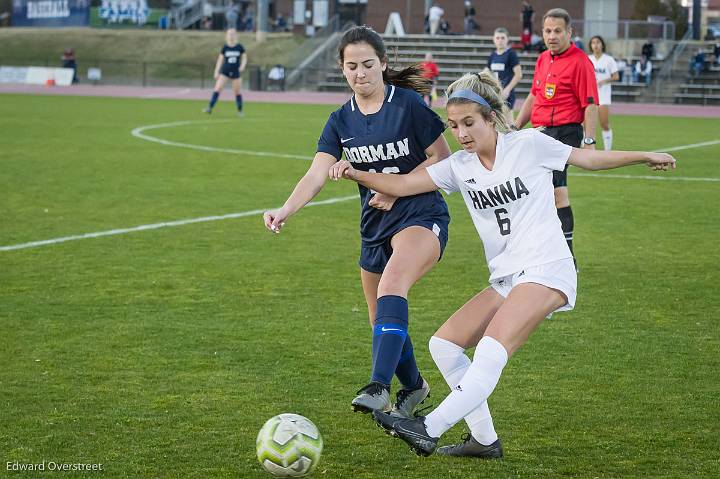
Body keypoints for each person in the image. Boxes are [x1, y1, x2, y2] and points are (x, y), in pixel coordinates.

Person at [326, 70, 676, 458]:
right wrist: (355, 171)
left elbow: (587, 159)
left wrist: (643, 155)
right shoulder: (460, 166)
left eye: (470, 123)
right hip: (508, 277)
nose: (461, 134)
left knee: (492, 350)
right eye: (454, 125)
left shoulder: (529, 144)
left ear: (492, 118)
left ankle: (428, 426)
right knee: (443, 344)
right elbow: (405, 185)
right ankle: (484, 440)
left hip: (547, 267)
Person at [263, 26, 452, 418]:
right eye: (352, 66)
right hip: (374, 225)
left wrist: (397, 187)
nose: (361, 73)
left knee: (392, 284)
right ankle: (415, 387)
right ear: (342, 70)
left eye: (368, 64)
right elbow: (316, 173)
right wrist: (285, 209)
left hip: (421, 215)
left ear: (383, 64)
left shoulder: (408, 106)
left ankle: (379, 387)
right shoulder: (339, 121)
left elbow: (444, 159)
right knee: (380, 317)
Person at [514, 8, 599, 271]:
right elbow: (533, 96)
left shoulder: (581, 61)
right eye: (548, 31)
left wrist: (590, 141)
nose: (552, 36)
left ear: (569, 32)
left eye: (557, 31)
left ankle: (566, 257)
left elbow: (591, 103)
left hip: (565, 132)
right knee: (539, 193)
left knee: (557, 193)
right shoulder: (542, 59)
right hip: (540, 132)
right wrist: (516, 125)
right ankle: (549, 252)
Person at [203, 29, 247, 116]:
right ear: (227, 36)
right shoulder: (225, 47)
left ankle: (240, 111)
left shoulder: (239, 47)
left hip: (235, 72)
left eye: (232, 34)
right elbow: (220, 60)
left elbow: (245, 58)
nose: (231, 36)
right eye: (229, 34)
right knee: (218, 88)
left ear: (236, 35)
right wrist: (216, 71)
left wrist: (242, 66)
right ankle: (209, 108)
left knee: (237, 91)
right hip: (225, 71)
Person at [588, 35, 619, 151]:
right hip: (589, 96)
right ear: (590, 45)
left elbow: (616, 76)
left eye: (598, 42)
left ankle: (607, 151)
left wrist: (603, 81)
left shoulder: (609, 60)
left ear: (602, 44)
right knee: (586, 125)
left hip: (603, 96)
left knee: (604, 123)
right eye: (593, 43)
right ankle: (588, 149)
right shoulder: (588, 58)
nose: (595, 45)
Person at [487, 27, 522, 124]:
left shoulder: (511, 54)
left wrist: (507, 89)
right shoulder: (492, 55)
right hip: (495, 93)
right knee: (496, 123)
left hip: (507, 94)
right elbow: (487, 71)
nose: (500, 40)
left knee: (509, 123)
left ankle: (516, 138)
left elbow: (518, 74)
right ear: (493, 39)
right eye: (497, 38)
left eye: (503, 38)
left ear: (507, 39)